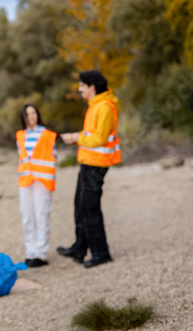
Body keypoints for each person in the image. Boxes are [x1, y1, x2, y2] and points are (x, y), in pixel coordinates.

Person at [58, 69, 121, 268]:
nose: (79, 89)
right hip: (88, 162)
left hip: (97, 165)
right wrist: (78, 137)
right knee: (80, 205)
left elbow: (100, 138)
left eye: (82, 86)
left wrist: (76, 138)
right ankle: (79, 248)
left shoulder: (104, 107)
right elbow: (92, 135)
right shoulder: (94, 106)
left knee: (89, 208)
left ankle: (101, 253)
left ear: (92, 87)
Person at [16, 104, 57, 268]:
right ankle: (30, 252)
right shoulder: (20, 135)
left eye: (33, 113)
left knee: (41, 216)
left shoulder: (47, 134)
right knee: (27, 217)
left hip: (42, 180)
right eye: (28, 114)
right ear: (23, 117)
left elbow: (53, 157)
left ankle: (41, 253)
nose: (31, 116)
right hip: (25, 181)